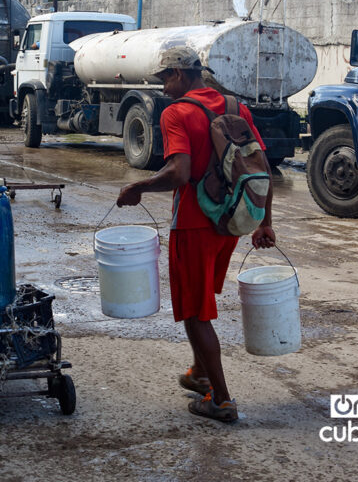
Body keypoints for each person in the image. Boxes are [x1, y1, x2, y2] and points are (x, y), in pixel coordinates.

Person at [116, 47, 276, 423]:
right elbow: (261, 167)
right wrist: (266, 222)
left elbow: (180, 173)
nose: (163, 89)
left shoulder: (177, 113)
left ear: (178, 74)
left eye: (164, 79)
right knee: (199, 299)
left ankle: (220, 399)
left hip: (193, 222)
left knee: (194, 310)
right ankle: (199, 372)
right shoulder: (235, 107)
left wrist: (138, 187)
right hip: (230, 225)